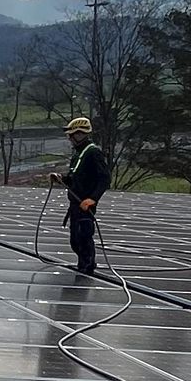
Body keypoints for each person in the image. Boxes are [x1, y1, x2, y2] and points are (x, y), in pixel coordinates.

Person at [56, 116, 109, 274]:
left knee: (84, 236)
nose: (69, 139)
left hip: (85, 204)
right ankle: (82, 265)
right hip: (75, 204)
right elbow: (75, 178)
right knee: (75, 240)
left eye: (71, 135)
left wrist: (92, 199)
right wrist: (61, 179)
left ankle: (88, 266)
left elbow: (105, 179)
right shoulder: (79, 154)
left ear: (80, 135)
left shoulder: (93, 153)